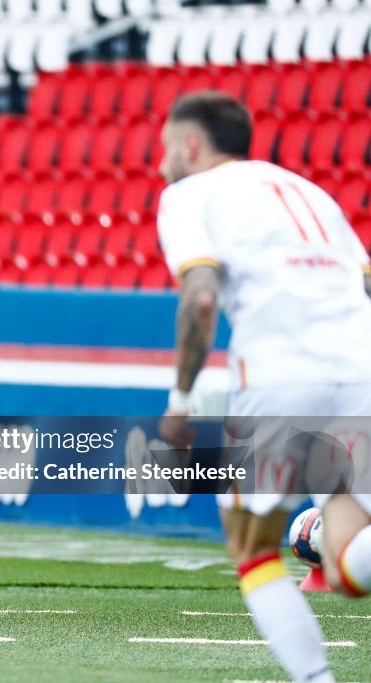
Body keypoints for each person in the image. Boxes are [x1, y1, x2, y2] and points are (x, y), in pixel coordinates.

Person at [156, 91, 371, 683]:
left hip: (278, 381)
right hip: (361, 368)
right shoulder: (311, 193)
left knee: (253, 552)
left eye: (165, 149)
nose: (160, 164)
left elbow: (201, 297)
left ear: (190, 144)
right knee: (350, 567)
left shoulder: (186, 194)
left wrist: (180, 405)